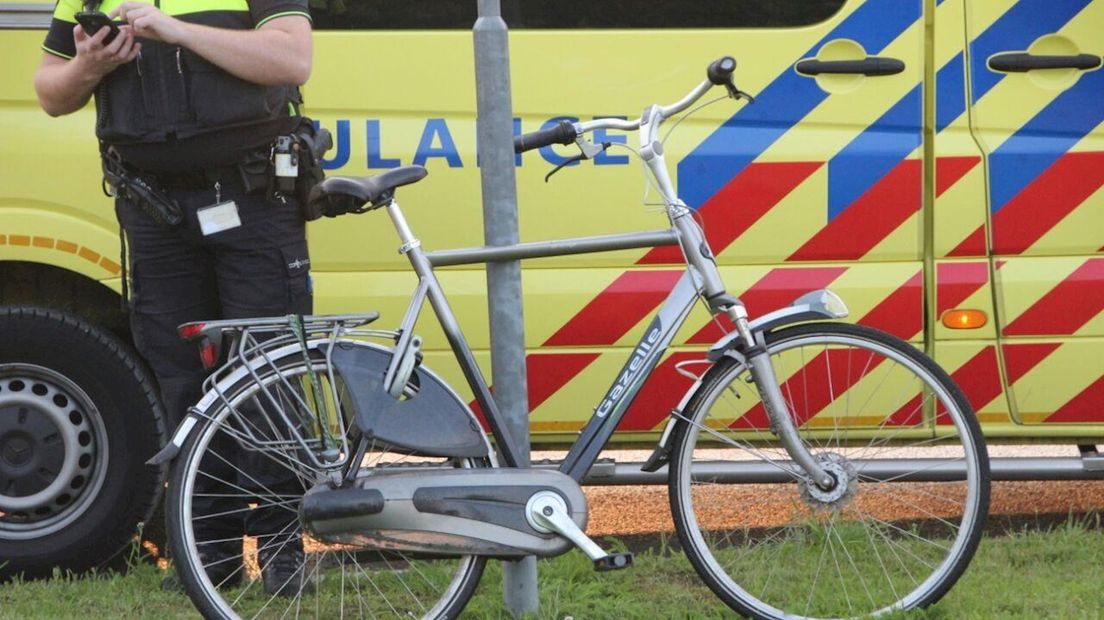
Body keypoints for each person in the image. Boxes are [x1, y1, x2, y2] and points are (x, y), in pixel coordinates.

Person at [34, 0, 316, 596]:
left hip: (254, 196)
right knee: (182, 382)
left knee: (270, 372)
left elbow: (293, 58)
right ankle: (205, 556)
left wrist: (175, 31)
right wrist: (88, 64)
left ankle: (284, 548)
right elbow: (52, 92)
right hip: (152, 208)